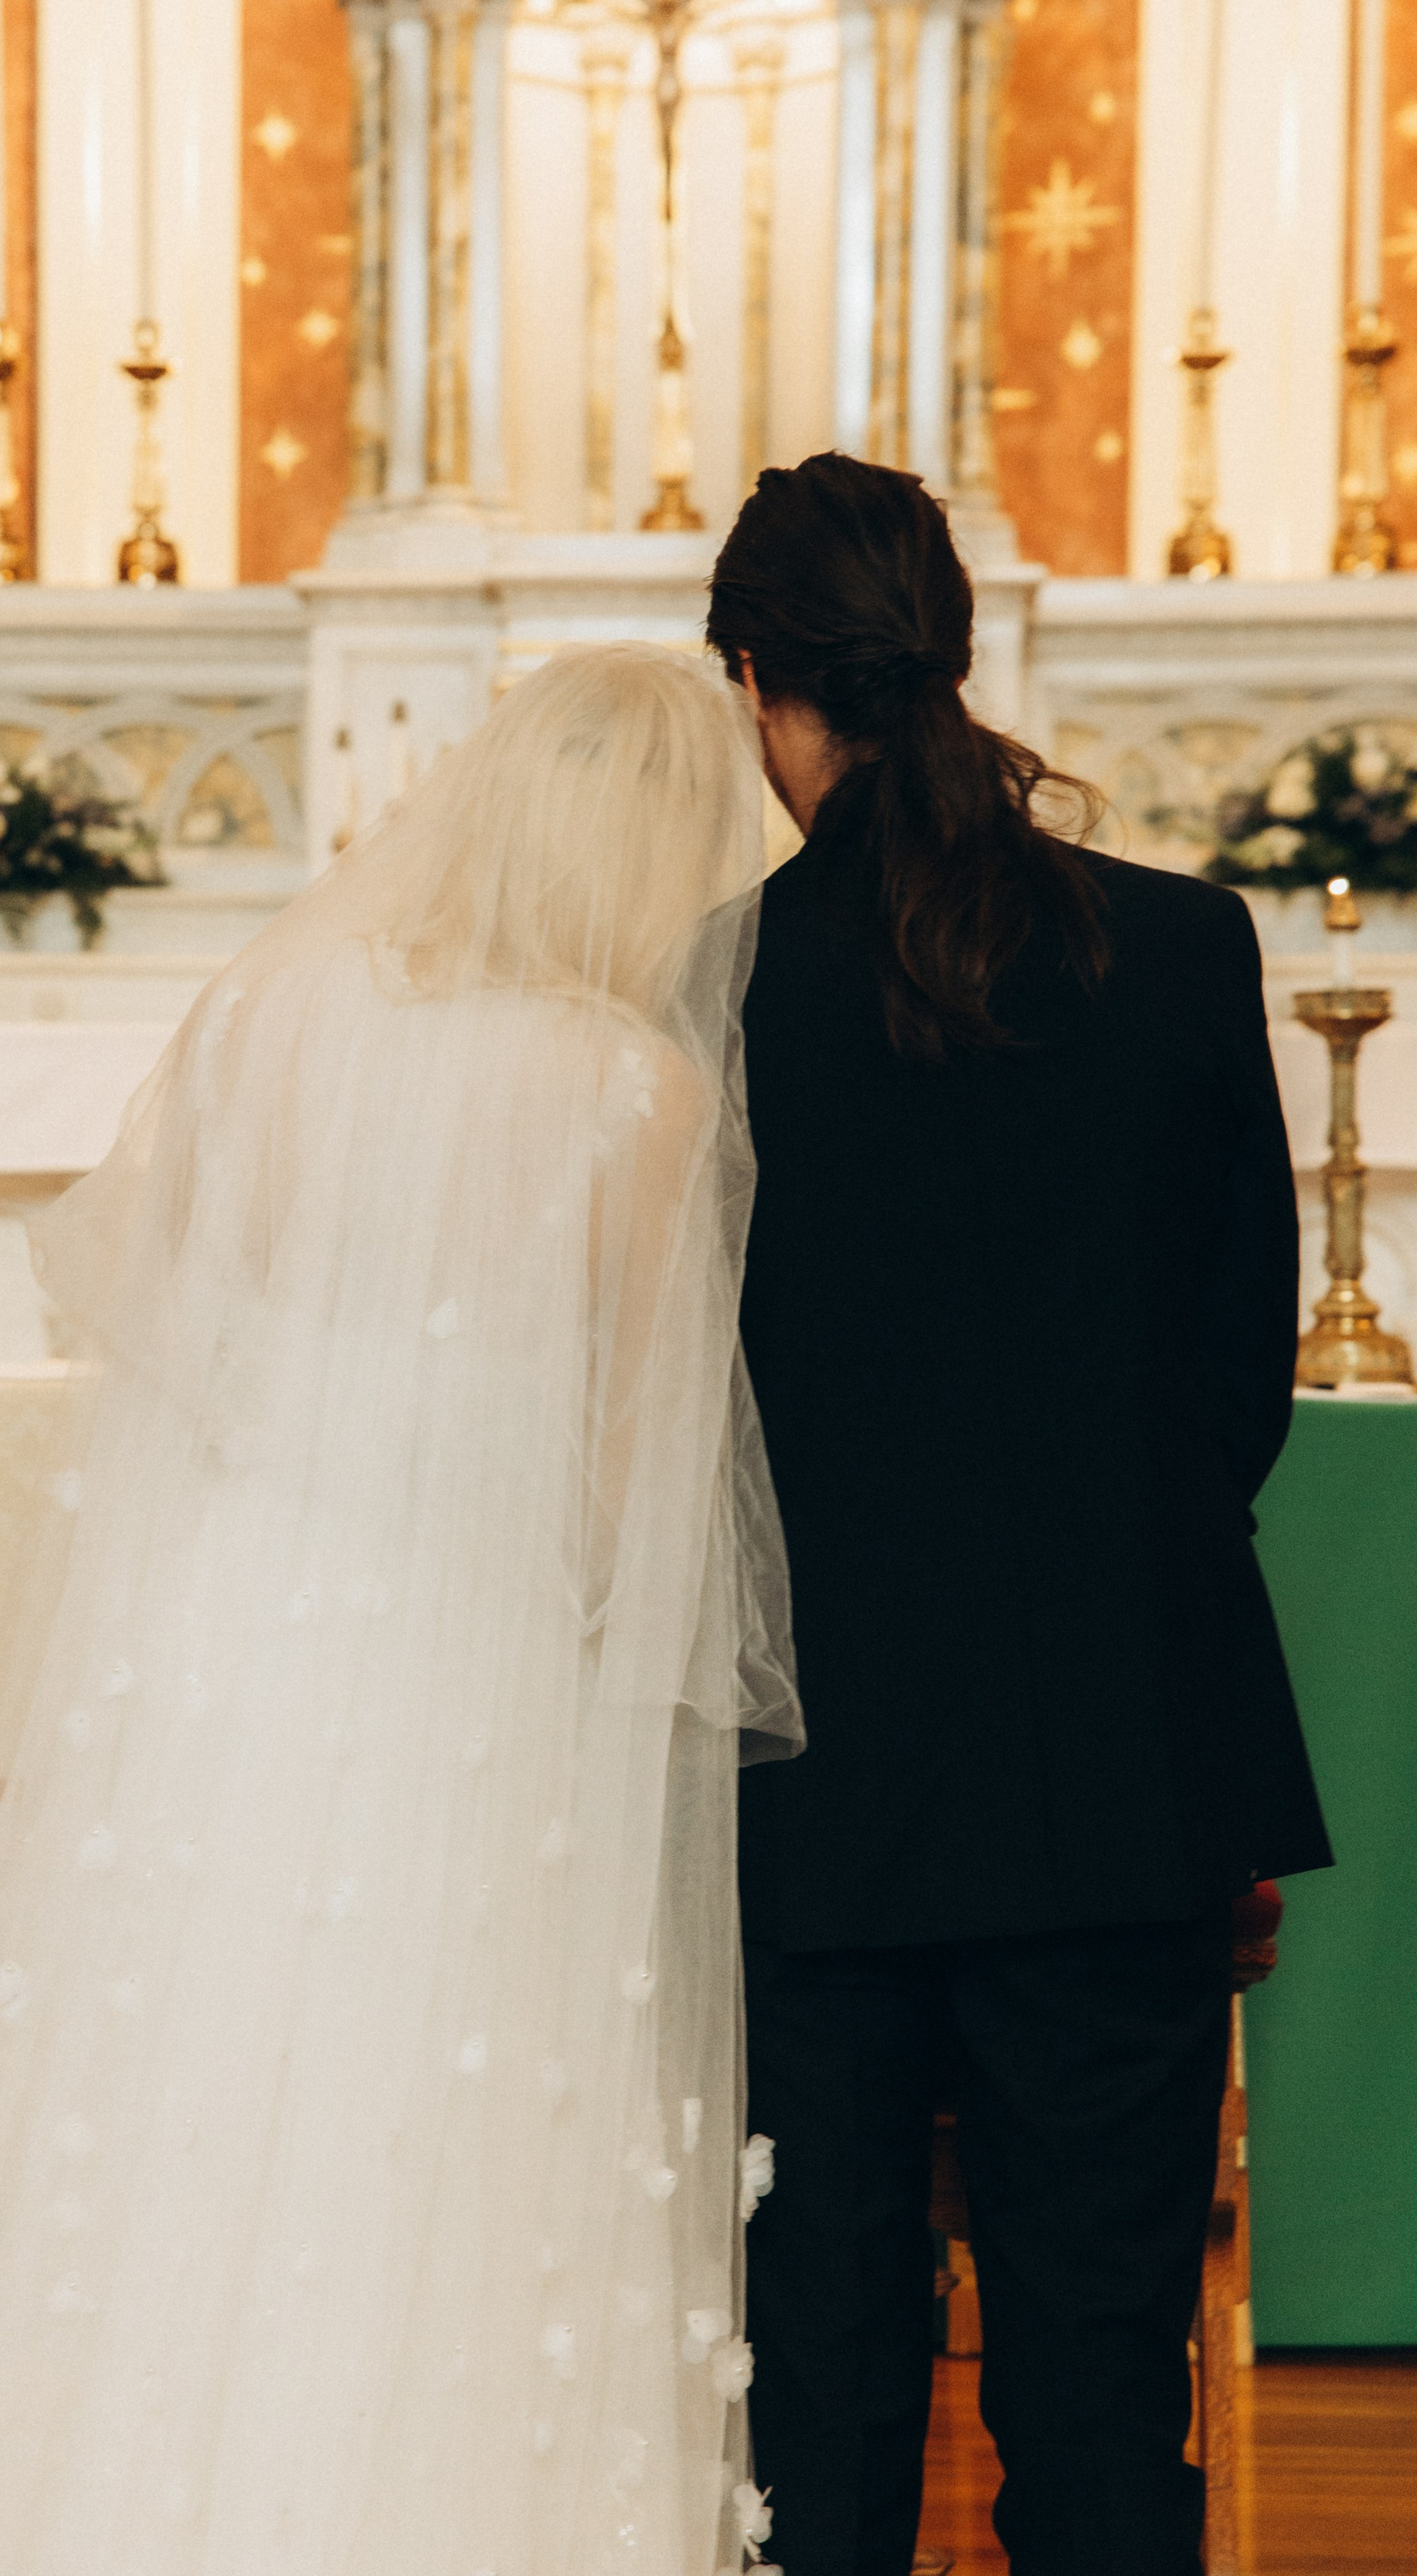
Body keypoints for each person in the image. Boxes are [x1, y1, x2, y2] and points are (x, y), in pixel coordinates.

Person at [0, 645, 804, 2576]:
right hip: (475, 1668)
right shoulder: (633, 1092)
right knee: (430, 2106)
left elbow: (144, 1292)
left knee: (171, 2087)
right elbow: (627, 1471)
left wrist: (302, 1476)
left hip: (234, 1645)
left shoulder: (278, 1015)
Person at [708, 453, 1332, 2576]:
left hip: (810, 1784)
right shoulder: (1179, 946)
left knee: (820, 2379)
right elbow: (1234, 1381)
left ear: (760, 679)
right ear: (954, 650)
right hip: (1118, 1757)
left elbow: (683, 1415)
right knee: (1099, 2378)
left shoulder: (715, 984)